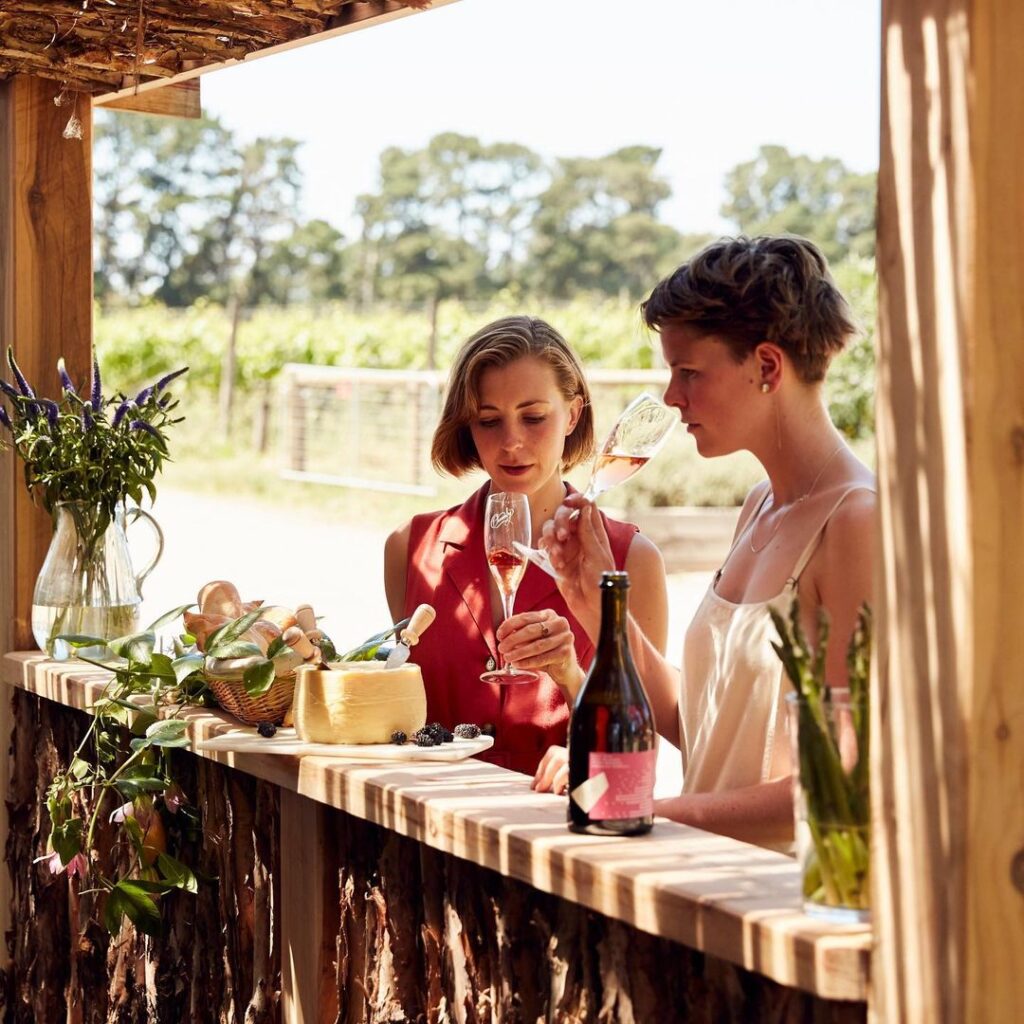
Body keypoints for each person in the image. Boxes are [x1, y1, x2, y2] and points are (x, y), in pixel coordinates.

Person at [516, 236, 876, 849]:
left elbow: (845, 778)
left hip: (782, 906)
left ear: (767, 366)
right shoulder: (759, 505)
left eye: (688, 372)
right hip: (705, 892)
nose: (671, 397)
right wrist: (597, 602)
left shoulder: (856, 523)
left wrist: (644, 810)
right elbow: (702, 725)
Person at [384, 315, 668, 776]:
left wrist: (572, 680)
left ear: (573, 414)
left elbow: (640, 743)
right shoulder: (410, 548)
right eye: (489, 420)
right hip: (425, 829)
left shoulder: (632, 559)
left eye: (534, 417)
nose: (512, 442)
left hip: (561, 828)